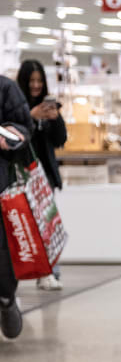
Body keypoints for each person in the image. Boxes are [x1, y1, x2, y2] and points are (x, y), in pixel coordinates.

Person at [17, 60, 67, 291]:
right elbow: (12, 135)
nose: (36, 85)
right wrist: (31, 116)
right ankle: (17, 276)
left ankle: (49, 271)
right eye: (32, 81)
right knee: (22, 227)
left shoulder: (49, 106)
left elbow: (60, 140)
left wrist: (54, 119)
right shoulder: (16, 106)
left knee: (48, 225)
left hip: (45, 176)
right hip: (20, 176)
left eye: (39, 81)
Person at [0, 75, 31, 340]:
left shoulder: (5, 88)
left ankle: (6, 298)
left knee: (2, 255)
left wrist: (8, 137)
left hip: (1, 188)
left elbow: (22, 126)